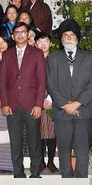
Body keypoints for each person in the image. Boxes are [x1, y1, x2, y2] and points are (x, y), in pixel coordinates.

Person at [48, 18, 92, 177]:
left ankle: (81, 183)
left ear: (77, 37)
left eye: (72, 35)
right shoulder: (53, 59)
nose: (69, 37)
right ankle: (67, 183)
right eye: (65, 35)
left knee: (82, 150)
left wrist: (77, 103)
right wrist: (65, 105)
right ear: (61, 39)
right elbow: (51, 85)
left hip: (83, 112)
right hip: (62, 113)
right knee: (63, 150)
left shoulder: (90, 58)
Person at [0, 23, 46, 177]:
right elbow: (3, 81)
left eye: (23, 32)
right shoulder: (7, 54)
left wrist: (38, 104)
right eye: (17, 32)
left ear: (28, 35)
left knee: (34, 142)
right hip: (12, 106)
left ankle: (35, 173)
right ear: (12, 36)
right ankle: (18, 174)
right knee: (16, 143)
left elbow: (41, 81)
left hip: (32, 105)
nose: (20, 35)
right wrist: (4, 103)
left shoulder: (37, 53)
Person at [34, 30, 59, 173]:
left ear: (50, 43)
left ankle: (50, 161)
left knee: (51, 131)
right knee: (38, 132)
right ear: (36, 44)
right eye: (40, 42)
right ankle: (41, 161)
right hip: (36, 101)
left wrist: (49, 99)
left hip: (52, 100)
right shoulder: (32, 59)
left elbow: (58, 81)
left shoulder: (55, 59)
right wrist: (39, 100)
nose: (43, 45)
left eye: (46, 42)